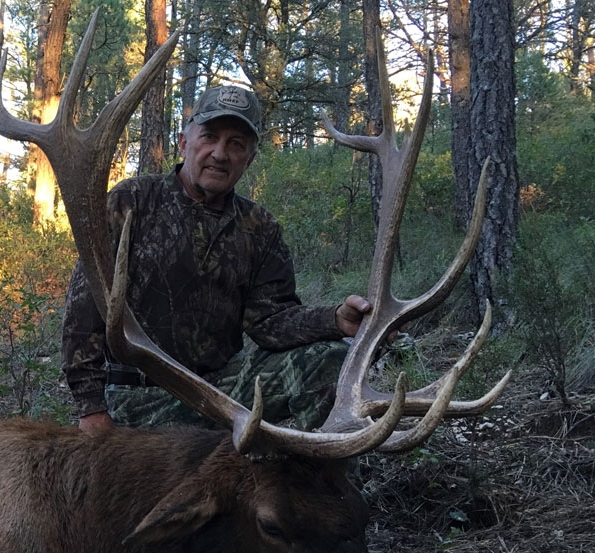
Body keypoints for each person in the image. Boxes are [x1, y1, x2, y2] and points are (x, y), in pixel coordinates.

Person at [62, 85, 371, 433]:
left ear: (249, 158)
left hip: (219, 393)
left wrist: (335, 321)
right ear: (184, 141)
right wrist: (91, 407)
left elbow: (271, 321)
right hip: (137, 399)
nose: (220, 154)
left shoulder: (259, 227)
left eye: (236, 144)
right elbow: (84, 310)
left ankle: (324, 479)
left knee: (332, 360)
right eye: (209, 136)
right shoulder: (130, 202)